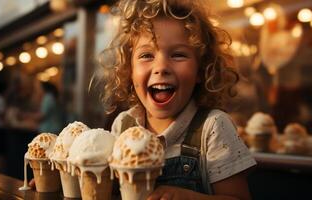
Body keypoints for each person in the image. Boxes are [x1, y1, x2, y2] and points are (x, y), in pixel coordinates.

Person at [99, 0, 257, 199]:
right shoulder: (123, 125)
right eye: (147, 55)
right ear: (130, 71)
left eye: (178, 55)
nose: (161, 67)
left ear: (201, 70)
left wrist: (190, 197)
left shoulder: (212, 127)